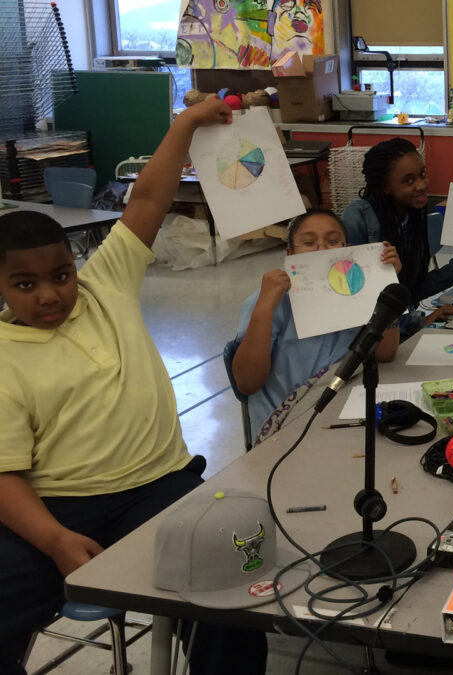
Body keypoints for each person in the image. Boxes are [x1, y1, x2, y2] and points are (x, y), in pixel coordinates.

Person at [0, 97, 267, 674]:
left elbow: (146, 196)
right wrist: (53, 540)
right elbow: (4, 477)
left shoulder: (106, 285)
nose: (48, 294)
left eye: (59, 275)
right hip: (57, 507)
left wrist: (188, 122)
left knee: (229, 588)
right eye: (25, 284)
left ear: (77, 264)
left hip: (159, 485)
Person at [231, 209, 402, 442]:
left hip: (341, 418)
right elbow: (248, 383)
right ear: (289, 253)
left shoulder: (359, 291)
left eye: (333, 242)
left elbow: (385, 354)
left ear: (346, 249)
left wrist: (386, 285)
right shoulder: (268, 303)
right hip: (285, 429)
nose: (322, 249)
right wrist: (263, 308)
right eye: (309, 242)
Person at [341, 138, 453, 335]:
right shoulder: (358, 217)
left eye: (422, 175)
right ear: (385, 186)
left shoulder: (412, 216)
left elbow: (413, 289)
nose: (421, 185)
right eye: (409, 181)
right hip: (373, 336)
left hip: (401, 327)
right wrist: (413, 325)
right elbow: (354, 301)